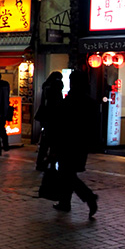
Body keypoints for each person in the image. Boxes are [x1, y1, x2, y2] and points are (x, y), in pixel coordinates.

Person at [52, 71, 100, 217]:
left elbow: (60, 125)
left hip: (67, 143)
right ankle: (65, 202)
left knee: (67, 174)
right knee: (68, 173)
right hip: (81, 144)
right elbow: (94, 125)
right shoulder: (90, 102)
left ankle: (88, 196)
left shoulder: (69, 101)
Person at [34, 71, 64, 170]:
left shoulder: (46, 87)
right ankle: (50, 163)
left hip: (46, 118)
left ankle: (42, 162)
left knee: (45, 142)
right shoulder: (55, 88)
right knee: (54, 143)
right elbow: (57, 104)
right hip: (54, 119)